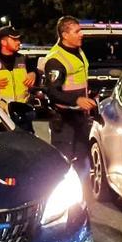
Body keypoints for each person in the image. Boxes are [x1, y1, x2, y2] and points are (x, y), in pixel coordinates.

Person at [44, 16, 96, 169]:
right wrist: (77, 100)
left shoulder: (77, 50)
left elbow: (79, 80)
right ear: (65, 35)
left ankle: (84, 193)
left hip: (80, 118)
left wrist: (90, 95)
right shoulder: (56, 59)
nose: (82, 34)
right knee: (63, 166)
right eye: (77, 31)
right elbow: (53, 93)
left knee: (83, 163)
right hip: (64, 120)